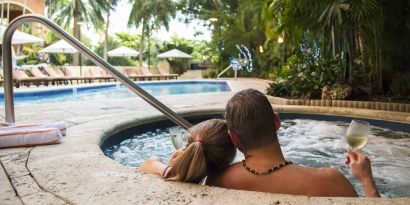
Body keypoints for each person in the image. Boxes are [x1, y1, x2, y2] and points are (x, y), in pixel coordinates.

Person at [206, 89, 380, 197]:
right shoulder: (331, 182)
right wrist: (366, 179)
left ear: (233, 138)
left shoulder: (217, 180)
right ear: (277, 122)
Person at [139, 119, 236, 183]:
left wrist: (174, 166)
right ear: (224, 163)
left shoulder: (152, 163)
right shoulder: (219, 186)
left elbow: (152, 162)